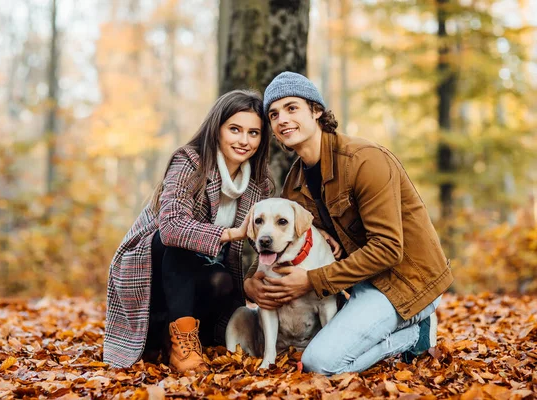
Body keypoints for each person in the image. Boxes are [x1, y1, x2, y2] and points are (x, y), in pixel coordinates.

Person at [243, 72, 453, 374]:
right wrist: (252, 283)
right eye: (274, 114)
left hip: (406, 284)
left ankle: (411, 334)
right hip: (358, 285)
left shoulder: (365, 161)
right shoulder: (296, 180)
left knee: (321, 363)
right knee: (321, 350)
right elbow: (279, 240)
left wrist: (312, 280)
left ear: (317, 111)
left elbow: (389, 249)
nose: (281, 120)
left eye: (292, 108)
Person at [104, 89, 274, 372]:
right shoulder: (190, 161)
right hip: (150, 265)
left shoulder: (260, 181)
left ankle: (173, 337)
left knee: (224, 281)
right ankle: (181, 342)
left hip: (204, 271)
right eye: (235, 129)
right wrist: (231, 234)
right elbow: (171, 228)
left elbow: (263, 240)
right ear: (217, 129)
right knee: (181, 245)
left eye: (253, 133)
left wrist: (256, 279)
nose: (244, 140)